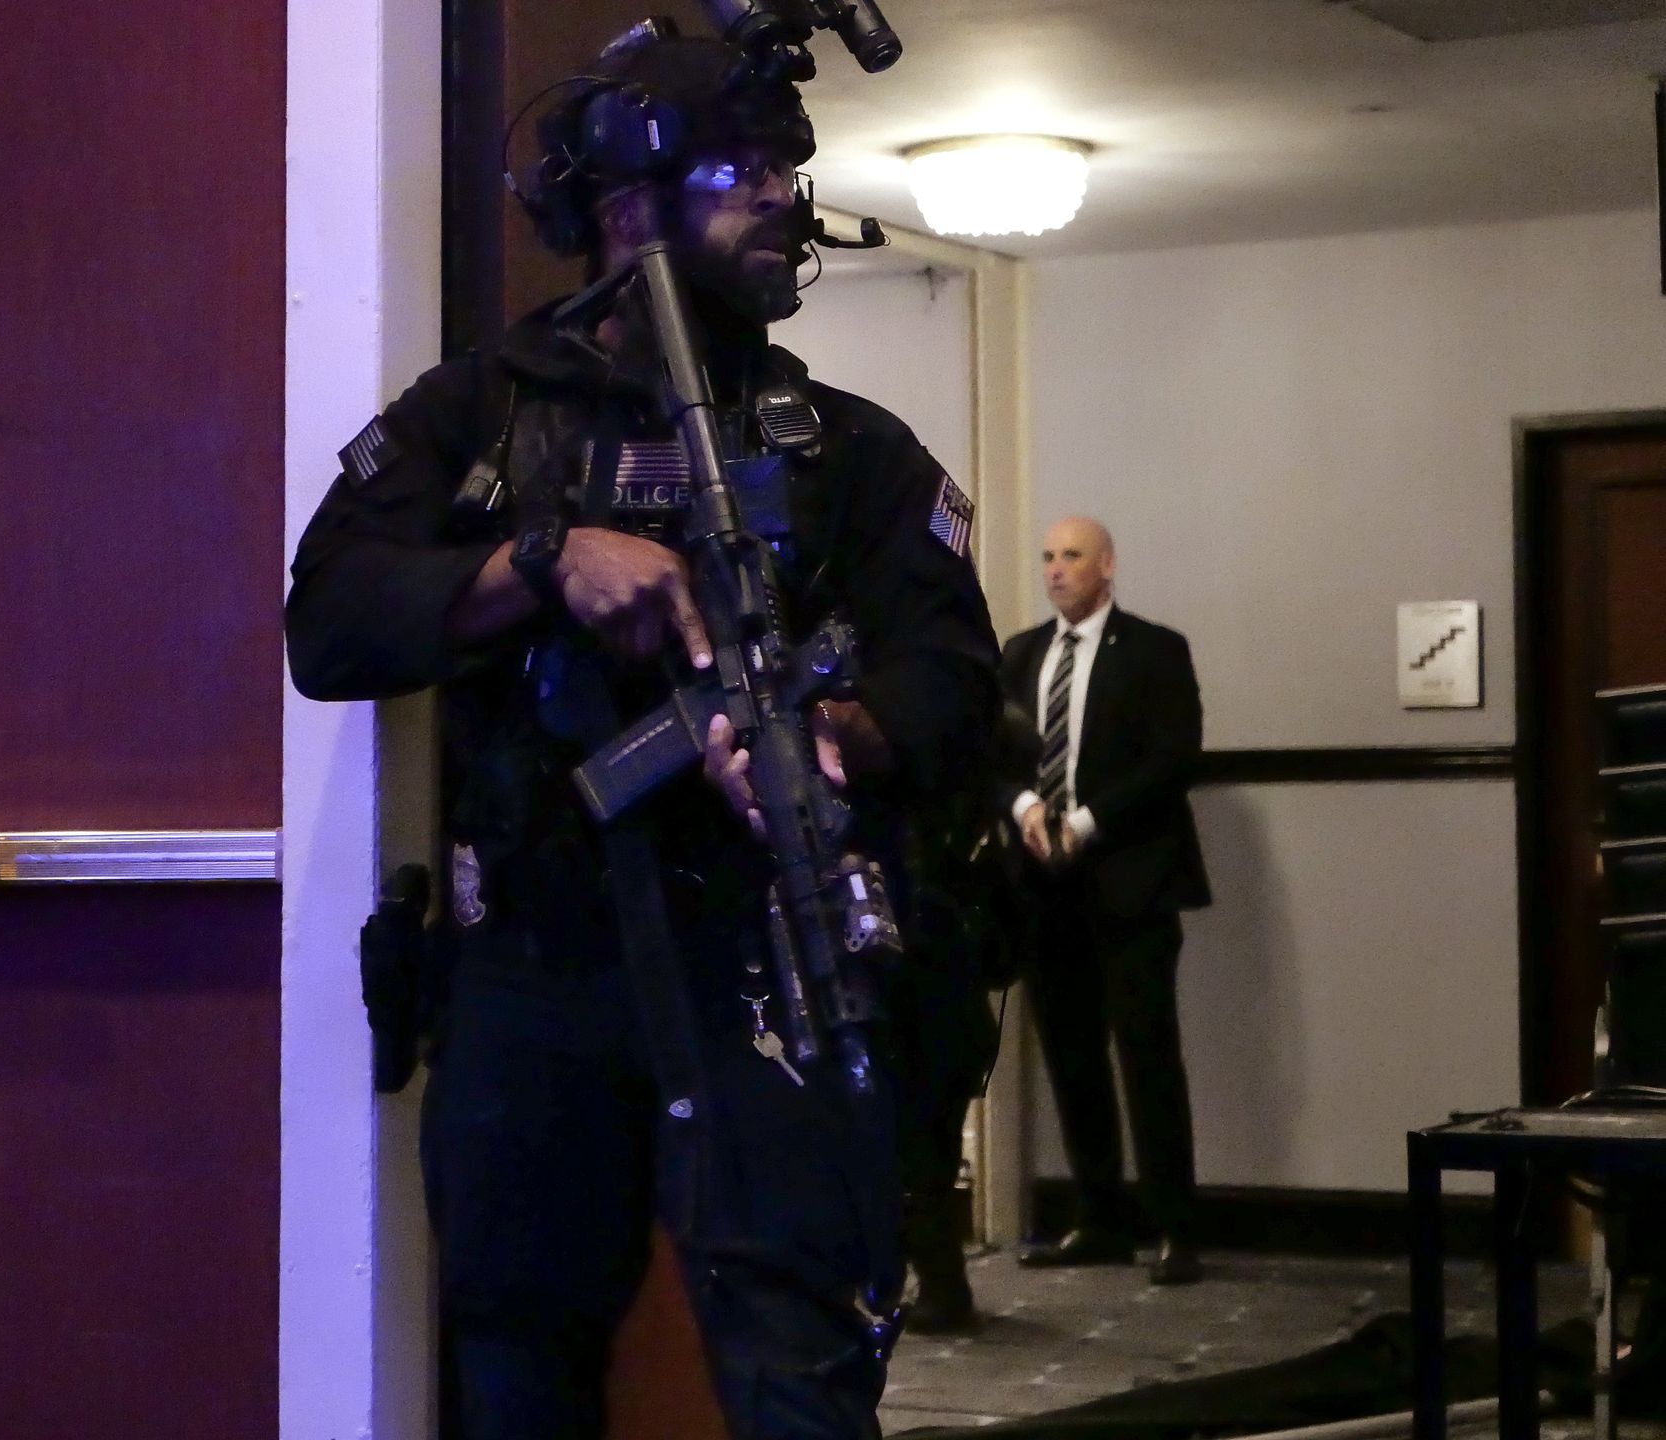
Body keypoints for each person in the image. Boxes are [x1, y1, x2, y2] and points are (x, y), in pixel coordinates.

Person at [286, 29, 998, 1440]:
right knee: (515, 1364)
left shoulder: (847, 449)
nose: (781, 202)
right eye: (744, 171)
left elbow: (956, 683)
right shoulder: (477, 415)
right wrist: (542, 561)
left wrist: (833, 737)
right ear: (627, 209)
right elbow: (330, 622)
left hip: (764, 962)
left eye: (792, 171)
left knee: (802, 1366)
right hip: (539, 973)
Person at [999, 516, 1210, 1286]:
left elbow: (1173, 757)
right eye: (1048, 557)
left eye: (1072, 556)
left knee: (1149, 1054)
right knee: (1071, 1054)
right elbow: (990, 754)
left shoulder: (1155, 650)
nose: (1056, 570)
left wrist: (1085, 823)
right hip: (1044, 886)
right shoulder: (1021, 655)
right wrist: (1025, 808)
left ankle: (1175, 1228)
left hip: (1131, 880)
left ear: (1108, 565)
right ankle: (1099, 1217)